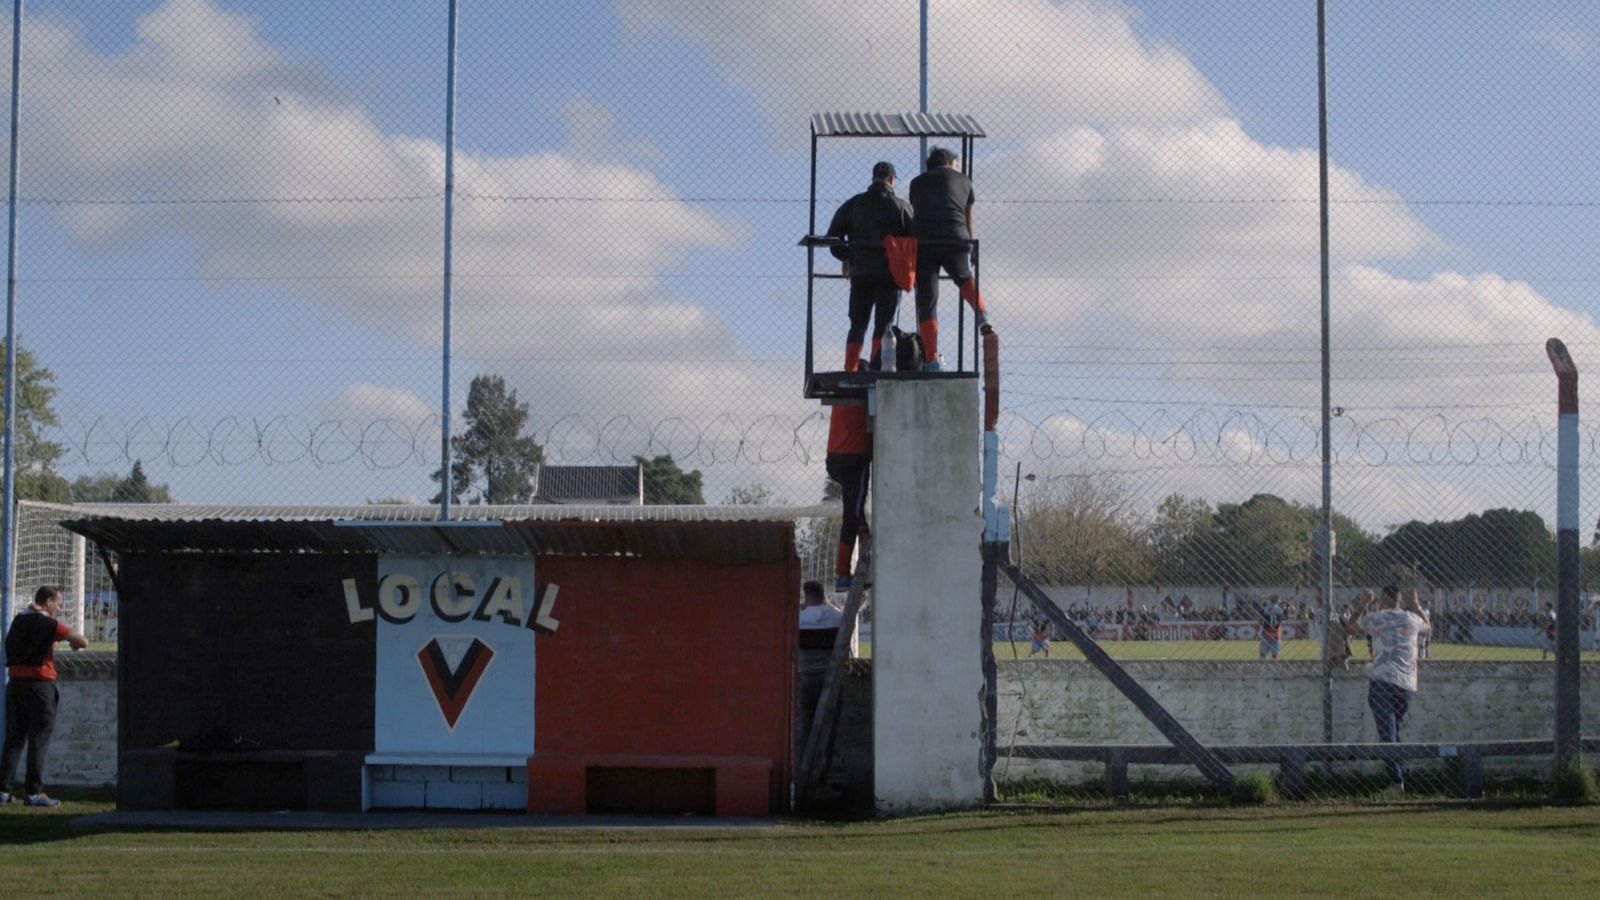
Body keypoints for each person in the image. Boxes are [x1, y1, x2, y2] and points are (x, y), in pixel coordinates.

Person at [2, 585, 90, 806]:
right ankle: (33, 792)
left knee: (14, 738)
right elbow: (82, 641)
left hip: (15, 684)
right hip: (40, 687)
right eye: (58, 604)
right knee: (39, 739)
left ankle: (3, 790)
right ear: (48, 602)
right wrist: (70, 641)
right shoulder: (48, 623)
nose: (58, 609)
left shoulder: (19, 619)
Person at [825, 161, 914, 372]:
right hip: (888, 274)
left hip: (860, 272)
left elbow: (832, 238)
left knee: (857, 324)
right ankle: (877, 368)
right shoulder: (901, 207)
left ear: (873, 178)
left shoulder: (854, 204)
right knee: (883, 325)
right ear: (892, 180)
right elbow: (914, 239)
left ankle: (851, 368)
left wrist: (848, 256)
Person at [908, 146, 991, 370]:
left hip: (924, 242)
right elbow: (968, 217)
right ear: (951, 162)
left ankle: (932, 359)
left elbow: (917, 210)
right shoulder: (964, 181)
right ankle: (982, 315)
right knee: (964, 276)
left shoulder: (916, 183)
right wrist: (971, 246)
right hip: (956, 237)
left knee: (928, 300)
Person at [1348, 584, 1431, 794]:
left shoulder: (1376, 618)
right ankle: (1398, 776)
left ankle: (1396, 782)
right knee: (1393, 731)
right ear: (1401, 602)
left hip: (1382, 681)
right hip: (1407, 684)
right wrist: (1417, 605)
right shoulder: (1412, 619)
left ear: (1381, 602)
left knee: (1388, 734)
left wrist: (1362, 603)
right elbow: (1428, 628)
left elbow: (1350, 627)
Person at [825, 401, 871, 593]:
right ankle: (843, 574)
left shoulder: (845, 389)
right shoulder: (865, 389)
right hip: (855, 457)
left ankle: (863, 532)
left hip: (834, 456)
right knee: (852, 516)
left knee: (856, 512)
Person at [796, 580, 844, 763]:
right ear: (823, 595)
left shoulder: (799, 619)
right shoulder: (836, 617)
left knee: (806, 723)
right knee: (829, 724)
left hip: (806, 677)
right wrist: (826, 603)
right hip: (829, 677)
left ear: (806, 596)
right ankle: (824, 764)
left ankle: (805, 763)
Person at [1258, 595, 1285, 660]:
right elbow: (1280, 620)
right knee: (1275, 655)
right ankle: (1274, 664)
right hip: (1276, 633)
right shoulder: (1279, 609)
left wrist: (1258, 629)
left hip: (1266, 632)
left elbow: (1260, 619)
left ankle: (1262, 664)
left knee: (1263, 654)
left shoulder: (1265, 609)